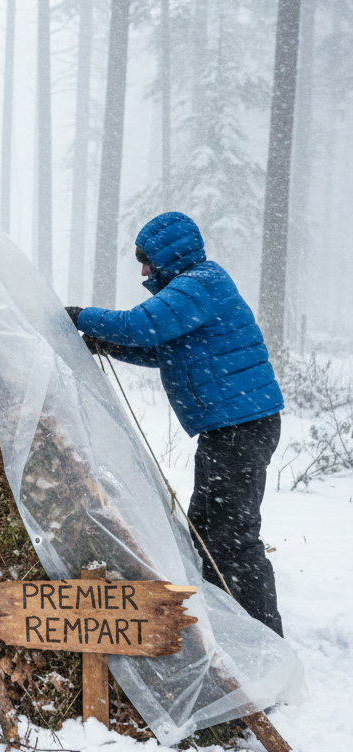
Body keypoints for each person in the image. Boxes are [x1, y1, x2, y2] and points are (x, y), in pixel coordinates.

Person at [65, 211, 285, 636]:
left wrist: (78, 316)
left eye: (147, 260)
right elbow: (162, 350)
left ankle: (264, 640)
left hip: (241, 427)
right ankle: (232, 629)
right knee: (205, 531)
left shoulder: (199, 284)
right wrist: (106, 345)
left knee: (232, 539)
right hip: (234, 426)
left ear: (169, 254)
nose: (144, 270)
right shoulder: (193, 290)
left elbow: (141, 326)